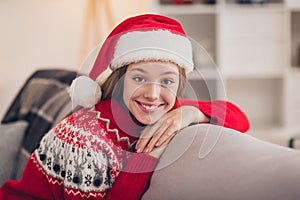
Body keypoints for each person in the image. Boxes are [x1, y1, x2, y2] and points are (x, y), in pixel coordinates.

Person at [0, 14, 249, 200]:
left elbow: (240, 118)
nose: (152, 94)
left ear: (179, 84)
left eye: (167, 81)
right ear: (120, 82)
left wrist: (190, 113)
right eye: (139, 78)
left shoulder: (166, 108)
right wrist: (148, 155)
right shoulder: (86, 138)